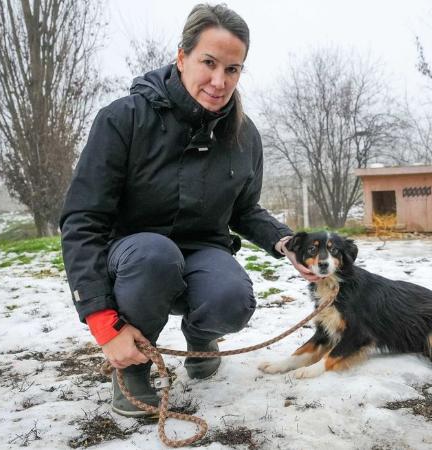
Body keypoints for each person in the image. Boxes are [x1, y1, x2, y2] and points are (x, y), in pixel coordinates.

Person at [60, 3, 317, 417]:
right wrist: (102, 321)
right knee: (154, 254)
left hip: (201, 251)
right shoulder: (122, 120)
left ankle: (201, 338)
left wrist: (285, 242)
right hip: (133, 258)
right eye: (209, 63)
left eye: (233, 69)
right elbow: (82, 221)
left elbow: (245, 208)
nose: (219, 81)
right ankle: (134, 366)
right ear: (182, 57)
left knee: (233, 298)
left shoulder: (243, 135)